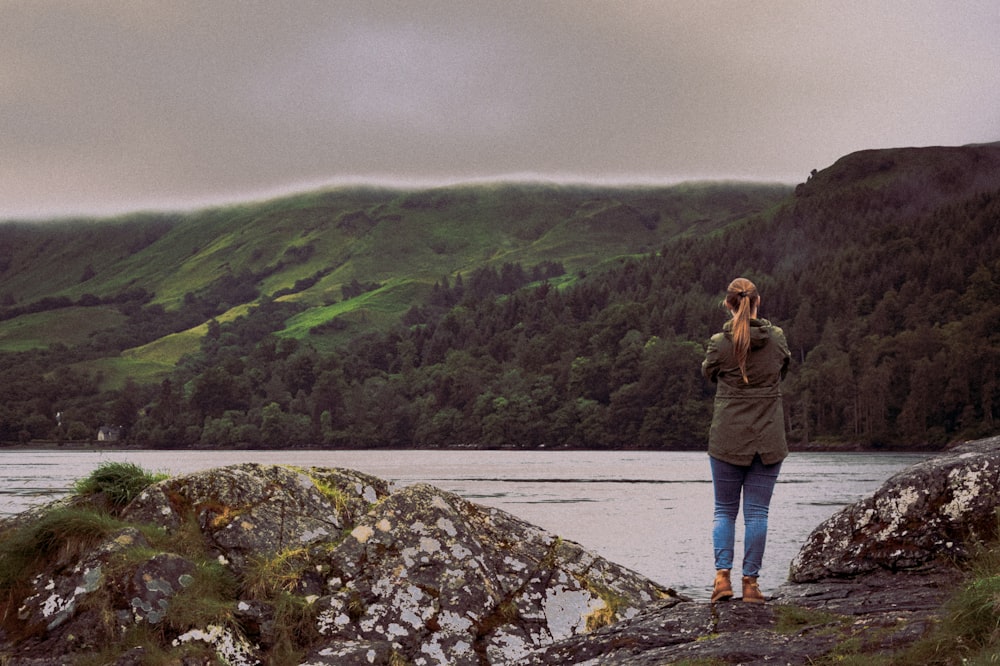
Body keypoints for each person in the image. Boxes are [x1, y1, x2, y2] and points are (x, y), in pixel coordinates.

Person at [701, 277, 790, 603]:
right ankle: (750, 585)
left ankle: (721, 579)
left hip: (727, 437)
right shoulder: (776, 338)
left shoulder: (719, 343)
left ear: (728, 304)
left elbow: (708, 373)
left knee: (724, 511)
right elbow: (784, 368)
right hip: (767, 438)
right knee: (757, 515)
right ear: (757, 301)